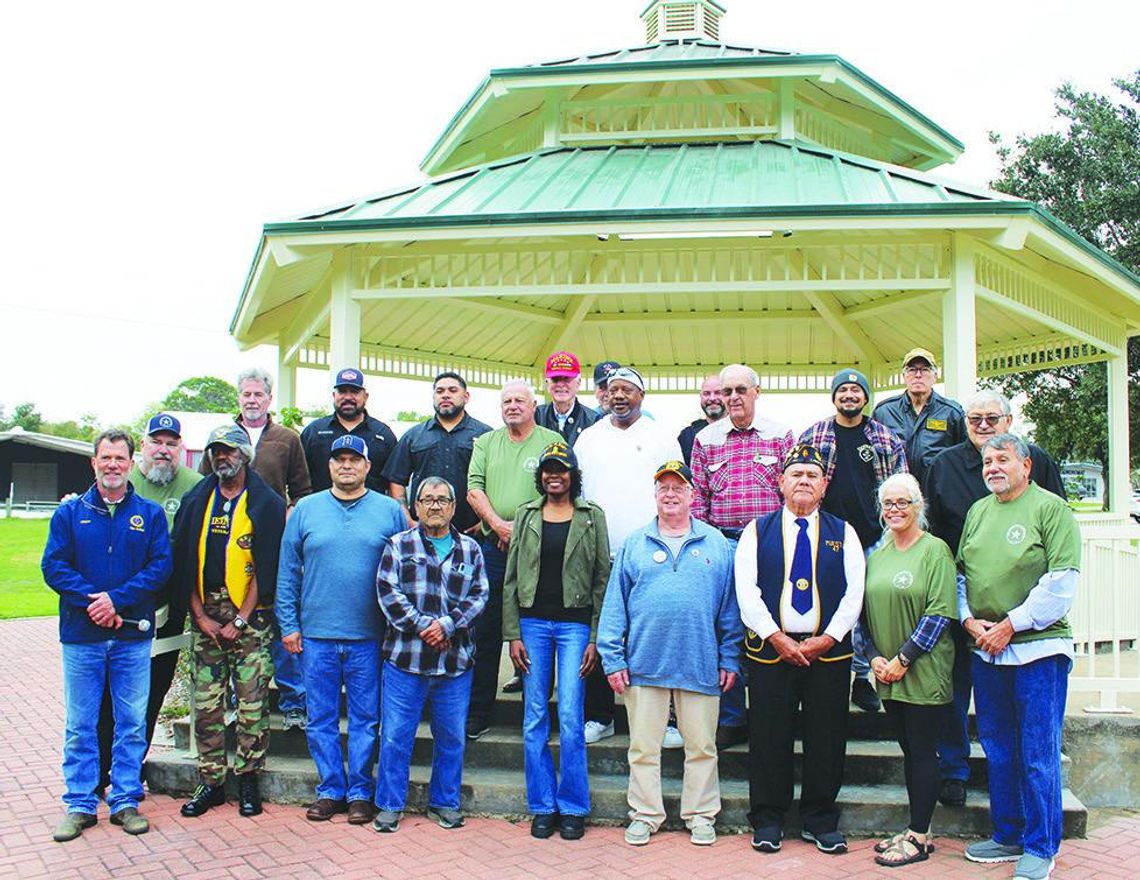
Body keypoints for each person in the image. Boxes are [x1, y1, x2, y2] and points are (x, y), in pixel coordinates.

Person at [923, 390, 1066, 808]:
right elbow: (933, 530)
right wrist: (959, 606)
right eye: (974, 419)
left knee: (1025, 725)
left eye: (991, 418)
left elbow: (1057, 527)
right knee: (954, 690)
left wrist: (1019, 618)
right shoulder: (944, 465)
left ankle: (1029, 802)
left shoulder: (1037, 460)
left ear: (1008, 420)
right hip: (962, 602)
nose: (983, 426)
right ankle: (954, 769)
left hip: (1026, 620)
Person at [596, 460, 741, 848]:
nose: (671, 494)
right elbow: (615, 606)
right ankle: (644, 814)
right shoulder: (634, 543)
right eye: (664, 487)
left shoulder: (716, 544)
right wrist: (613, 658)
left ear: (693, 495)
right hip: (644, 665)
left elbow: (729, 609)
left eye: (679, 487)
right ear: (655, 494)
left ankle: (700, 815)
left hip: (700, 664)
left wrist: (730, 657)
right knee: (643, 749)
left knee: (702, 748)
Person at [958, 435, 1080, 880]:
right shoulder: (978, 512)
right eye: (987, 461)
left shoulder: (1051, 509)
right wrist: (970, 620)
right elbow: (961, 575)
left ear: (1025, 465)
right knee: (998, 748)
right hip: (987, 651)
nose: (992, 467)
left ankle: (1041, 846)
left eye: (1002, 459)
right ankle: (1007, 833)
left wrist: (1011, 624)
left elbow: (1062, 581)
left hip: (1037, 650)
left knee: (1037, 753)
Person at [42, 430, 172, 842]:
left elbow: (159, 567)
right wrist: (93, 602)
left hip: (132, 638)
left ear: (131, 462)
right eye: (105, 458)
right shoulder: (69, 514)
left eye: (120, 457)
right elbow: (54, 567)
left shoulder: (149, 515)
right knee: (81, 723)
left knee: (131, 721)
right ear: (93, 462)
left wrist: (116, 600)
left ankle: (126, 800)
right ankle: (80, 803)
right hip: (82, 637)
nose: (112, 464)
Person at [736, 444, 865, 855]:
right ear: (781, 483)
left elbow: (854, 594)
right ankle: (769, 819)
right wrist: (776, 636)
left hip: (827, 652)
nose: (804, 481)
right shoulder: (757, 530)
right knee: (769, 735)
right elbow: (747, 593)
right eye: (796, 474)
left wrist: (827, 637)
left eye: (812, 475)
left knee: (827, 736)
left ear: (824, 485)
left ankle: (819, 819)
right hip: (772, 651)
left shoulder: (843, 533)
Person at [277, 435, 407, 825]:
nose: (346, 465)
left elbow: (406, 569)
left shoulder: (390, 511)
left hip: (370, 635)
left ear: (368, 466)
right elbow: (287, 573)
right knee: (321, 717)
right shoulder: (306, 510)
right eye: (339, 459)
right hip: (316, 633)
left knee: (367, 718)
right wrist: (288, 624)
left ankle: (360, 792)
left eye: (355, 459)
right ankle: (330, 789)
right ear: (329, 466)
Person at [502, 442, 610, 840]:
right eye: (548, 469)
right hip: (532, 626)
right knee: (533, 716)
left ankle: (574, 807)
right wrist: (512, 633)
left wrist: (596, 637)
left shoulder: (591, 516)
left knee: (569, 715)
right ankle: (542, 805)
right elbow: (511, 578)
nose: (554, 476)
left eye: (561, 470)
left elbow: (602, 579)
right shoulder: (527, 515)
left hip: (574, 627)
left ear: (572, 475)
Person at [176, 425, 285, 819]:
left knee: (252, 703)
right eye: (215, 452)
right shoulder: (196, 499)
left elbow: (266, 565)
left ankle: (249, 779)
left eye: (229, 450)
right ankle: (211, 781)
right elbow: (184, 560)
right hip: (205, 612)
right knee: (207, 705)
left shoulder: (266, 502)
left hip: (249, 618)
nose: (222, 457)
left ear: (244, 454)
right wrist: (199, 615)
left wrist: (239, 620)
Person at [373, 477, 489, 833]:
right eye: (427, 499)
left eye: (442, 500)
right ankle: (391, 805)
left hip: (454, 664)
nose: (435, 506)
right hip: (405, 661)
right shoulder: (398, 545)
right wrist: (426, 626)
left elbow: (480, 595)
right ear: (415, 507)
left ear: (454, 507)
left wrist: (448, 626)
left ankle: (444, 802)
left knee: (451, 737)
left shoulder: (470, 549)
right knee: (395, 736)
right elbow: (388, 593)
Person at [574, 366, 682, 744]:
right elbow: (577, 492)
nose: (618, 396)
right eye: (612, 390)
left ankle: (665, 720)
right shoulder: (588, 438)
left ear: (641, 396)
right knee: (603, 633)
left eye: (627, 390)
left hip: (650, 551)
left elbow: (676, 491)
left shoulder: (661, 437)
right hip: (599, 553)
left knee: (654, 634)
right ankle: (600, 716)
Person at [95, 413, 201, 796]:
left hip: (167, 609)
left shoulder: (195, 486)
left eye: (172, 443)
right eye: (157, 441)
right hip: (117, 607)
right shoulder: (124, 482)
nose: (164, 449)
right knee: (109, 693)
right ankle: (99, 770)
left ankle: (131, 768)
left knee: (152, 691)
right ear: (143, 447)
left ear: (181, 450)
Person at [690, 363, 795, 748]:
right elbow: (697, 497)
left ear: (756, 392)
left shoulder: (780, 435)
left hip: (770, 543)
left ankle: (771, 714)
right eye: (726, 391)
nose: (732, 398)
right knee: (727, 628)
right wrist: (709, 546)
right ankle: (732, 717)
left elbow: (792, 490)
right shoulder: (706, 439)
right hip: (722, 544)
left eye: (740, 390)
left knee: (771, 625)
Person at [200, 366, 311, 729]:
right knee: (232, 615)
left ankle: (293, 699)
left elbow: (301, 490)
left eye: (258, 394)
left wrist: (289, 520)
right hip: (230, 544)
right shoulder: (221, 438)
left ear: (268, 398)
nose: (252, 400)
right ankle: (233, 698)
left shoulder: (286, 438)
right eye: (246, 394)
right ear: (239, 398)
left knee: (282, 615)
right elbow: (205, 489)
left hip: (274, 543)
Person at [800, 368, 908, 714]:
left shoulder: (885, 439)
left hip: (875, 537)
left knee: (866, 609)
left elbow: (903, 487)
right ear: (834, 396)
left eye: (856, 390)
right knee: (827, 602)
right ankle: (826, 670)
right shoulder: (814, 435)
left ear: (865, 397)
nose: (849, 395)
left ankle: (863, 676)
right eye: (843, 390)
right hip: (826, 536)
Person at [863, 474, 956, 867]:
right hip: (887, 673)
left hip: (921, 671)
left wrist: (902, 659)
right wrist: (873, 658)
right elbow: (862, 616)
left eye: (903, 502)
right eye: (888, 503)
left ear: (919, 506)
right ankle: (920, 827)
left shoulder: (935, 551)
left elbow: (938, 614)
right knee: (908, 750)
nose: (895, 510)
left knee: (921, 752)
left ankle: (918, 837)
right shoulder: (878, 554)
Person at [465, 381, 562, 739]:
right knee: (486, 630)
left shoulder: (552, 441)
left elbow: (561, 489)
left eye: (520, 400)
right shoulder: (487, 442)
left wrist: (520, 530)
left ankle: (538, 715)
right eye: (506, 401)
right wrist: (497, 525)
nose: (512, 406)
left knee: (537, 631)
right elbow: (474, 488)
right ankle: (478, 712)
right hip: (493, 549)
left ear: (534, 405)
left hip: (540, 550)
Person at [382, 371, 491, 532]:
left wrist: (486, 523)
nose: (445, 395)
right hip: (423, 534)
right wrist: (408, 520)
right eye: (440, 391)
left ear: (466, 396)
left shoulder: (485, 436)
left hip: (472, 534)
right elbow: (396, 480)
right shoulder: (414, 436)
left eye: (452, 390)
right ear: (434, 397)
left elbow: (497, 482)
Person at [871, 348, 965, 488]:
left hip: (938, 491)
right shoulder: (884, 412)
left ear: (935, 375)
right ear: (904, 376)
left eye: (925, 369)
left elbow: (964, 456)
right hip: (897, 495)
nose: (918, 375)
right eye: (912, 370)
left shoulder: (952, 412)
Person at [301, 367, 397, 494]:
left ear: (365, 396)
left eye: (354, 391)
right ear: (334, 395)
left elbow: (394, 482)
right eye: (342, 392)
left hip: (371, 512)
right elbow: (299, 478)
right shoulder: (313, 432)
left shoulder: (383, 434)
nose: (348, 397)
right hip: (322, 511)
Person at [535, 351, 599, 447]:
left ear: (578, 383)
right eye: (555, 379)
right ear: (547, 383)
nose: (561, 384)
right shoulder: (535, 416)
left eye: (566, 379)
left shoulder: (593, 420)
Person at [677, 375, 725, 466]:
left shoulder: (740, 431)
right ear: (700, 396)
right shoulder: (687, 436)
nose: (712, 398)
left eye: (718, 392)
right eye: (706, 393)